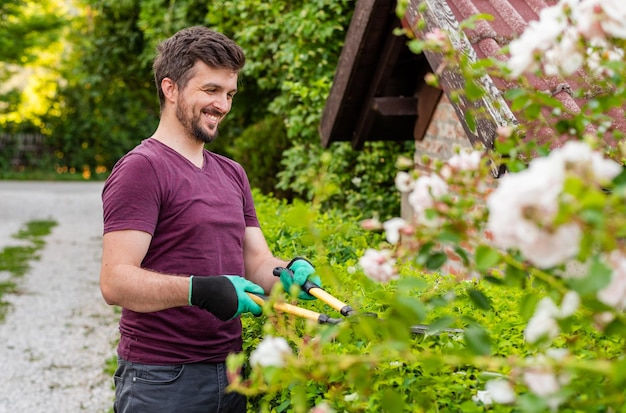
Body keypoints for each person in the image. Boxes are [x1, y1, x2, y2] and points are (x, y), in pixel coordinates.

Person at [99, 26, 320, 413]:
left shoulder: (232, 173)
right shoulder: (142, 169)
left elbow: (256, 262)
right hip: (162, 378)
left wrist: (289, 273)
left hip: (231, 372)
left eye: (230, 93)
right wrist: (196, 290)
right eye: (211, 90)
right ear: (171, 89)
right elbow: (115, 280)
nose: (223, 105)